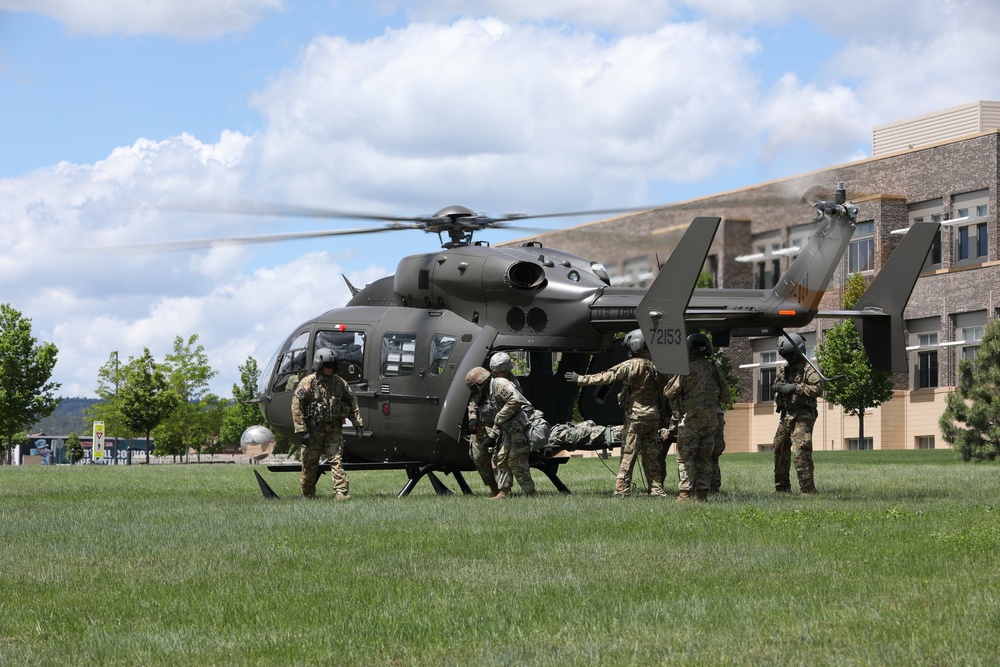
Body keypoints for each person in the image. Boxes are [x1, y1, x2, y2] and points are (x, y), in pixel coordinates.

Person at [565, 329, 667, 498]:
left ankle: (622, 490)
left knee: (628, 454)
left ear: (634, 345)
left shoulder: (631, 365)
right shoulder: (657, 367)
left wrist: (580, 379)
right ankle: (656, 490)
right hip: (653, 416)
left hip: (635, 417)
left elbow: (607, 377)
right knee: (651, 455)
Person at [291, 348, 364, 500]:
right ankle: (307, 493)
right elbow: (296, 405)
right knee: (310, 465)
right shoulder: (308, 383)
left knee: (336, 460)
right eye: (327, 366)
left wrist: (358, 423)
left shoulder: (339, 383)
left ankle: (341, 493)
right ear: (319, 365)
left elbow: (351, 402)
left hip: (333, 430)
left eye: (332, 366)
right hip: (313, 432)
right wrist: (301, 430)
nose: (330, 369)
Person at [664, 333, 721, 501]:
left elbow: (669, 391)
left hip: (690, 421)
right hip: (710, 421)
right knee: (705, 458)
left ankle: (685, 494)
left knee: (685, 458)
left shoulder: (686, 369)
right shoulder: (715, 370)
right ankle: (703, 493)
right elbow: (725, 396)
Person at [468, 363, 538, 498]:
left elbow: (514, 400)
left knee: (515, 461)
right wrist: (491, 435)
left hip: (521, 427)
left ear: (480, 383)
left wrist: (496, 425)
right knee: (500, 458)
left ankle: (531, 493)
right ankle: (504, 492)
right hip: (507, 428)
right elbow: (497, 419)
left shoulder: (500, 384)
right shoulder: (485, 392)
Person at [772, 332, 823, 494]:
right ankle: (782, 487)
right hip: (786, 415)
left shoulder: (810, 368)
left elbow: (818, 389)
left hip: (803, 415)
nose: (789, 359)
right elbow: (776, 385)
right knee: (779, 449)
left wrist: (796, 387)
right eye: (787, 356)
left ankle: (808, 490)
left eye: (791, 356)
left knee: (801, 450)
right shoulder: (784, 370)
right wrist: (778, 389)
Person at [466, 366, 500, 497]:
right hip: (481, 428)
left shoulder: (499, 387)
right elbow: (473, 404)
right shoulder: (479, 393)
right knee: (477, 455)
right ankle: (493, 488)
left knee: (498, 459)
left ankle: (504, 490)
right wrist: (472, 419)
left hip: (497, 429)